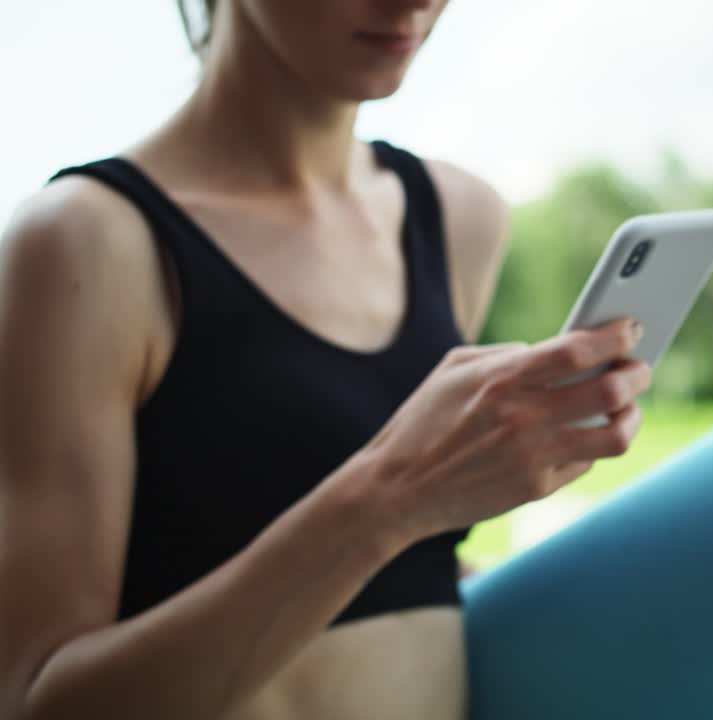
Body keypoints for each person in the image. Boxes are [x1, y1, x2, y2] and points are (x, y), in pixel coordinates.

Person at [0, 1, 652, 718]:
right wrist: (390, 497)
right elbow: (35, 700)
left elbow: (402, 591)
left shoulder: (458, 217)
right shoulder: (87, 245)